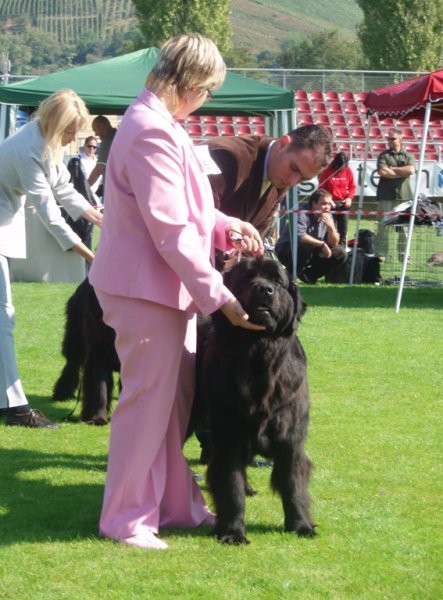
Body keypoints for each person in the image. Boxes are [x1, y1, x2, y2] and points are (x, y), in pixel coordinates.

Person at [88, 33, 265, 551]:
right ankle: (125, 519)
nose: (207, 100)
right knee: (146, 406)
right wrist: (222, 298)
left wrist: (225, 223)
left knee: (172, 406)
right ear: (189, 84)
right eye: (207, 90)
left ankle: (175, 506)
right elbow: (170, 229)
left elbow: (188, 208)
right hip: (145, 292)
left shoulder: (160, 125)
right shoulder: (150, 131)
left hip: (161, 292)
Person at [0, 88, 103, 428]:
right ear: (57, 124)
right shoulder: (28, 150)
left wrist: (99, 216)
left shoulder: (42, 140)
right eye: (71, 131)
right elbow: (50, 214)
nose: (75, 137)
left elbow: (63, 188)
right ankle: (13, 407)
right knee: (4, 319)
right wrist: (90, 255)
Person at [204, 124, 332, 237]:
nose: (293, 181)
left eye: (303, 179)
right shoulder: (225, 155)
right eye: (294, 168)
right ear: (283, 144)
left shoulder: (280, 175)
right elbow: (199, 221)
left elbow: (255, 236)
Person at [275, 188, 347, 284]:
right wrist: (322, 245)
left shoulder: (328, 216)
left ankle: (310, 276)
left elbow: (333, 243)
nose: (327, 207)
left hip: (313, 250)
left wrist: (331, 228)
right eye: (324, 204)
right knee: (304, 247)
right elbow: (300, 236)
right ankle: (289, 278)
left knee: (340, 252)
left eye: (329, 204)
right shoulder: (301, 213)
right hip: (287, 249)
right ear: (314, 204)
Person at [376, 128, 416, 257]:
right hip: (386, 196)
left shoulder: (408, 155)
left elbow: (411, 170)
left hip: (404, 197)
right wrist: (401, 173)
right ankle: (381, 254)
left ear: (400, 140)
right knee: (383, 227)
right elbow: (383, 172)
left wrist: (393, 169)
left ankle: (404, 255)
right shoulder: (383, 155)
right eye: (388, 139)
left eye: (392, 139)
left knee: (404, 228)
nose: (390, 141)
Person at [318, 151, 356, 247]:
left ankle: (342, 249)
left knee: (343, 229)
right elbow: (321, 188)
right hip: (331, 204)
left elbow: (352, 186)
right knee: (331, 228)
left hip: (343, 204)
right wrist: (329, 200)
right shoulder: (327, 171)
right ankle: (330, 247)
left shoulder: (348, 171)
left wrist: (349, 198)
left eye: (343, 166)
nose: (341, 169)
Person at [87, 115, 117, 191]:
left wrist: (85, 188)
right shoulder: (118, 135)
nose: (96, 134)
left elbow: (99, 169)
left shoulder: (108, 140)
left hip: (113, 191)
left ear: (102, 126)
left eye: (95, 130)